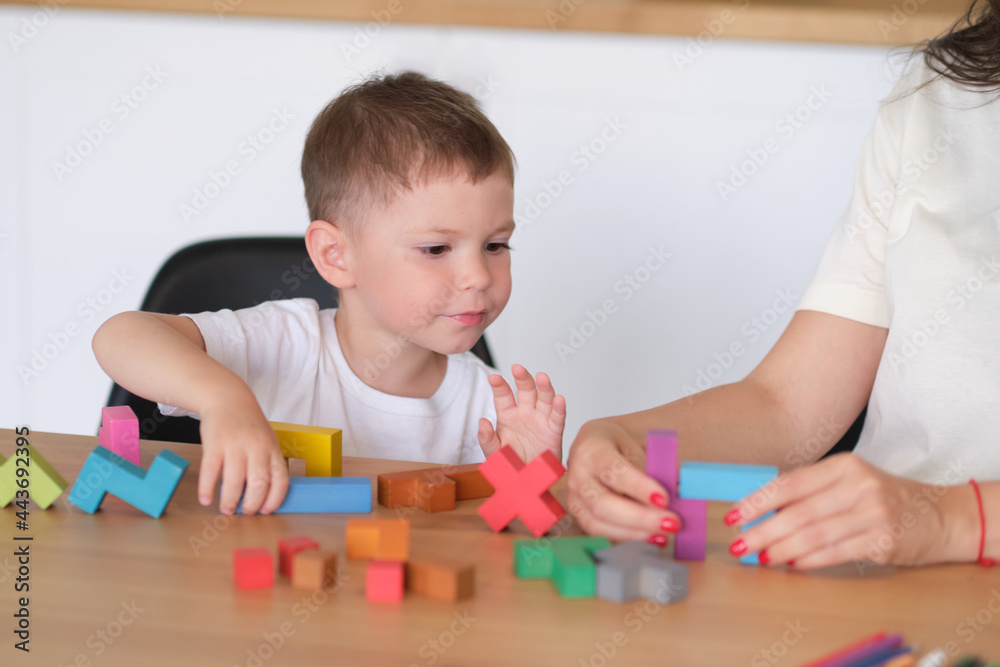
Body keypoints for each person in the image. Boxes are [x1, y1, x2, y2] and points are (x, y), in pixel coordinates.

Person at [567, 0, 1000, 569]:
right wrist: (625, 439)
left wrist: (952, 520)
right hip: (886, 587)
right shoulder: (935, 92)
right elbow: (789, 406)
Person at [93, 72, 565, 516]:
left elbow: (503, 555)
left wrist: (534, 480)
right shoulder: (279, 344)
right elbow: (120, 335)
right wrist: (222, 398)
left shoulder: (485, 406)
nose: (478, 276)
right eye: (437, 248)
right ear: (336, 255)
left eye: (495, 245)